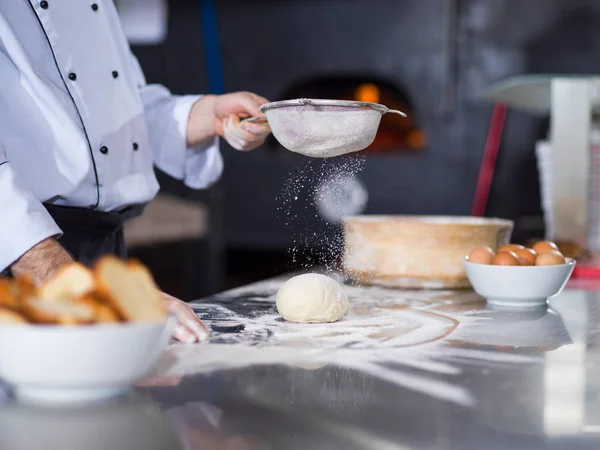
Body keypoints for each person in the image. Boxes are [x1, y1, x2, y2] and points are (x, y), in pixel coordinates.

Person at [0, 2, 271, 343]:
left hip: (98, 251)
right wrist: (66, 280)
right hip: (22, 259)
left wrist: (205, 114)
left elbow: (112, 109)